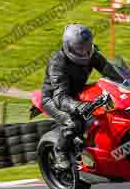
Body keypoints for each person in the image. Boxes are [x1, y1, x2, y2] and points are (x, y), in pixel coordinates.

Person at [41, 24, 121, 170]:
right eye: (80, 48)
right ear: (69, 48)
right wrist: (78, 106)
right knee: (74, 123)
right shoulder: (57, 63)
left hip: (78, 91)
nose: (84, 52)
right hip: (55, 98)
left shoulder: (92, 54)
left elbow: (109, 71)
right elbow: (60, 97)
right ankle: (60, 151)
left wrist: (127, 82)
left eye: (87, 46)